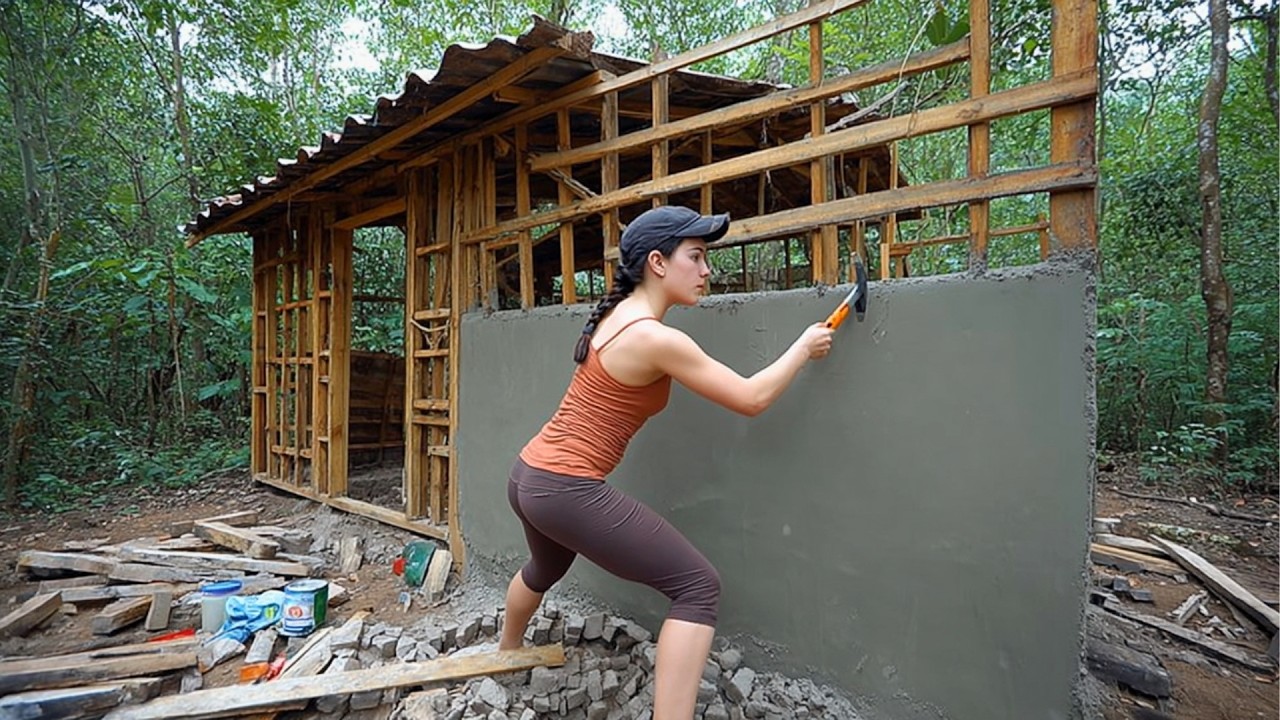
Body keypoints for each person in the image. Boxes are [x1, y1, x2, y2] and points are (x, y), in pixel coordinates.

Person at [498, 205, 834, 719]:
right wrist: (803, 347)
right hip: (563, 488)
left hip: (529, 477)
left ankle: (506, 656)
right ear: (657, 262)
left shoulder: (619, 316)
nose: (706, 271)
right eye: (695, 257)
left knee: (545, 566)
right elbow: (750, 398)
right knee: (698, 587)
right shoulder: (654, 338)